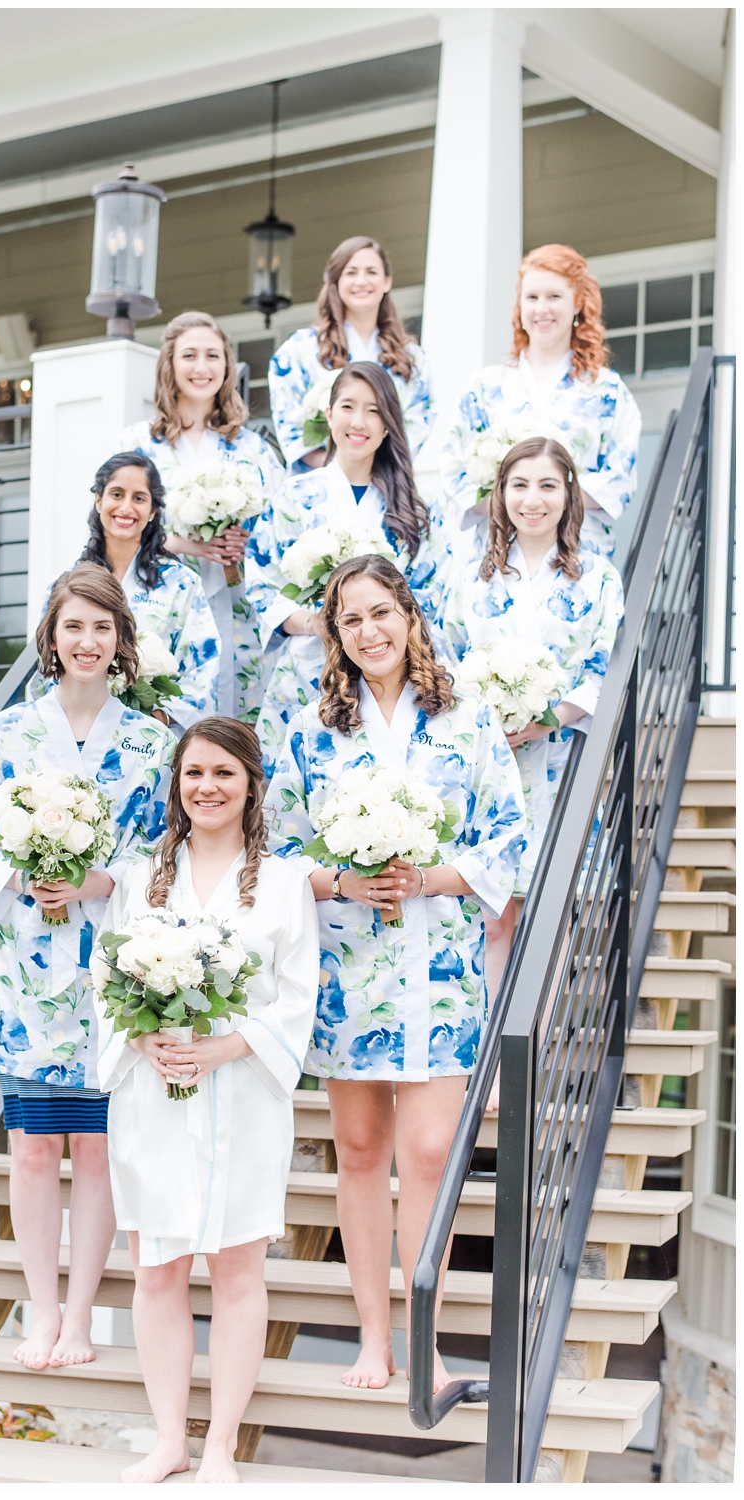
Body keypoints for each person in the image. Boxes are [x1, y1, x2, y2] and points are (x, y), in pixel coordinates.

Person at [264, 555, 525, 1395]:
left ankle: (425, 1339)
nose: (370, 632)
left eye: (382, 613)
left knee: (429, 1149)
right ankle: (371, 1337)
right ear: (334, 637)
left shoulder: (468, 719)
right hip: (347, 963)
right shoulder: (310, 731)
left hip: (440, 962)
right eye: (351, 621)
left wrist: (433, 878)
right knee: (360, 1147)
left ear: (409, 617)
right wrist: (342, 879)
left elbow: (507, 838)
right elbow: (275, 853)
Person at [0, 564, 175, 1371]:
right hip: (22, 964)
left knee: (95, 1149)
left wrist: (99, 880)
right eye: (73, 627)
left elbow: (162, 855)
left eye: (102, 628)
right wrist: (22, 876)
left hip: (113, 965)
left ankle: (81, 1317)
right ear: (50, 637)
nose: (87, 642)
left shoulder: (152, 744)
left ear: (121, 642)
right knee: (32, 1150)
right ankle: (40, 1312)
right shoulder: (6, 735)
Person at [96, 719, 318, 1484]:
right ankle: (168, 1440)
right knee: (155, 1269)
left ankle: (219, 1441)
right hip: (153, 1098)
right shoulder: (138, 876)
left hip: (246, 1095)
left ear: (251, 783)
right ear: (176, 784)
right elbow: (104, 985)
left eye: (223, 773)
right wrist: (139, 1040)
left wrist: (227, 1047)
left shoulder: (287, 882)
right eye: (193, 773)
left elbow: (297, 996)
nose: (207, 787)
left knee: (234, 1270)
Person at [437, 436, 623, 988]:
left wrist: (547, 719)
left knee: (549, 918)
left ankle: (537, 1055)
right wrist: (483, 717)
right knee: (493, 919)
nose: (532, 499)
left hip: (563, 758)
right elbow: (445, 654)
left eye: (547, 485)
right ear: (500, 493)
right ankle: (489, 1063)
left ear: (568, 494)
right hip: (485, 760)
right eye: (519, 485)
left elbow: (603, 667)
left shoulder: (598, 577)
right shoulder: (470, 575)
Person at [246, 361, 450, 778]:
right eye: (348, 407)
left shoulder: (416, 506)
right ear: (329, 414)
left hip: (391, 669)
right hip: (309, 667)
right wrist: (316, 623)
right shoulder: (295, 495)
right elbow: (261, 581)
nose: (359, 422)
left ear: (390, 423)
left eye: (374, 410)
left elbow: (433, 589)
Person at [118, 311, 284, 721]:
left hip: (242, 599)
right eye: (189, 355)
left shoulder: (252, 448)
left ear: (226, 365)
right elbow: (120, 526)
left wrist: (248, 543)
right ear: (170, 365)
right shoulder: (140, 443)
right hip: (162, 597)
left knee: (243, 719)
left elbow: (282, 524)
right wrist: (192, 545)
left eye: (213, 355)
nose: (202, 367)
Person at [441, 243, 642, 558]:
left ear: (577, 303)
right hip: (498, 558)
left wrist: (547, 497)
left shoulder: (607, 392)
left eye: (554, 297)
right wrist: (514, 501)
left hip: (578, 557)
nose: (541, 309)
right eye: (531, 297)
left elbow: (619, 479)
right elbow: (454, 472)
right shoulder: (485, 388)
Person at [28, 454, 220, 731]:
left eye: (139, 498)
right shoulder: (65, 586)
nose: (126, 507)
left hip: (154, 733)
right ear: (99, 500)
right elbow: (47, 662)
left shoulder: (182, 583)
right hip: (76, 728)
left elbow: (205, 661)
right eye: (116, 494)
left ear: (153, 510)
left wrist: (157, 720)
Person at [269, 235, 435, 472]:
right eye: (351, 272)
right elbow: (290, 424)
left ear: (387, 281)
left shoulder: (412, 358)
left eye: (371, 272)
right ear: (335, 281)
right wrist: (338, 470)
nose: (361, 281)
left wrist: (375, 470)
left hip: (386, 480)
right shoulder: (299, 349)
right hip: (321, 480)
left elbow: (419, 420)